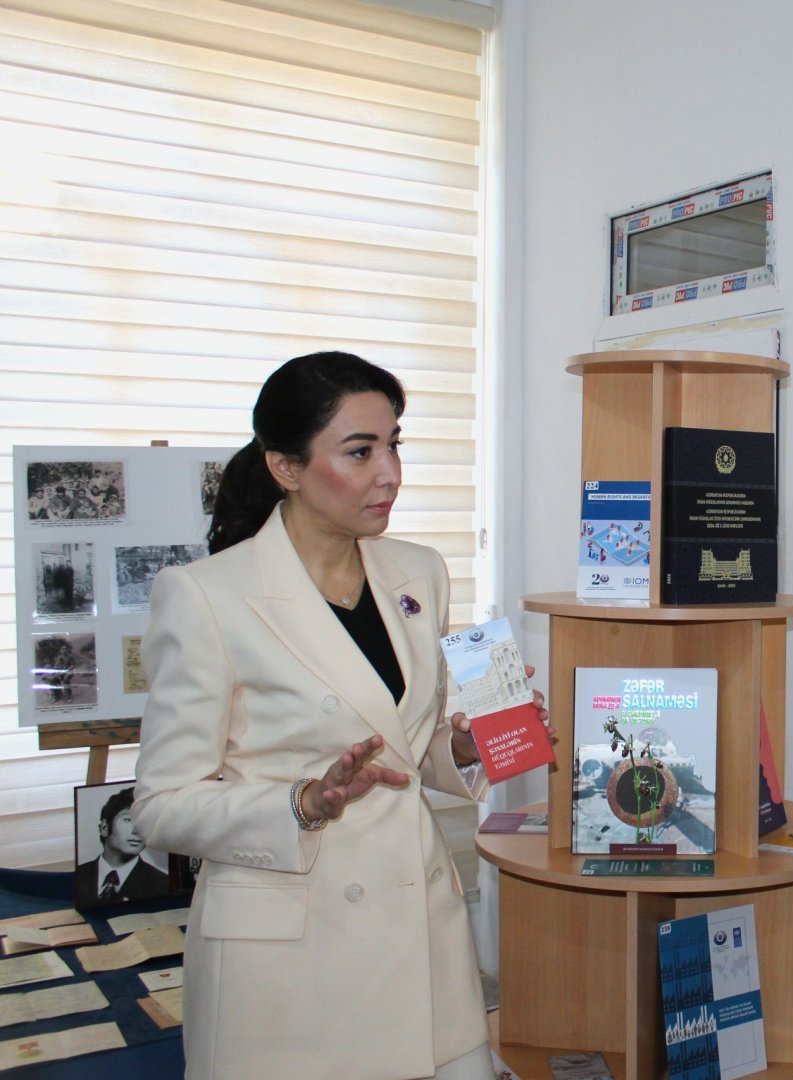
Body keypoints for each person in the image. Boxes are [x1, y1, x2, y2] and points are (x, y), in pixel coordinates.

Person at [133, 351, 548, 1080]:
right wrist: (301, 802)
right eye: (360, 451)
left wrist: (465, 742)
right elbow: (162, 807)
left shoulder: (418, 571)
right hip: (290, 969)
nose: (388, 471)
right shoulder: (204, 596)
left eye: (394, 444)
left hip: (420, 943)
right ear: (286, 467)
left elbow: (399, 750)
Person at [74, 786, 170, 908]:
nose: (137, 831)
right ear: (104, 827)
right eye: (128, 820)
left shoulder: (162, 884)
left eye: (144, 821)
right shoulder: (80, 876)